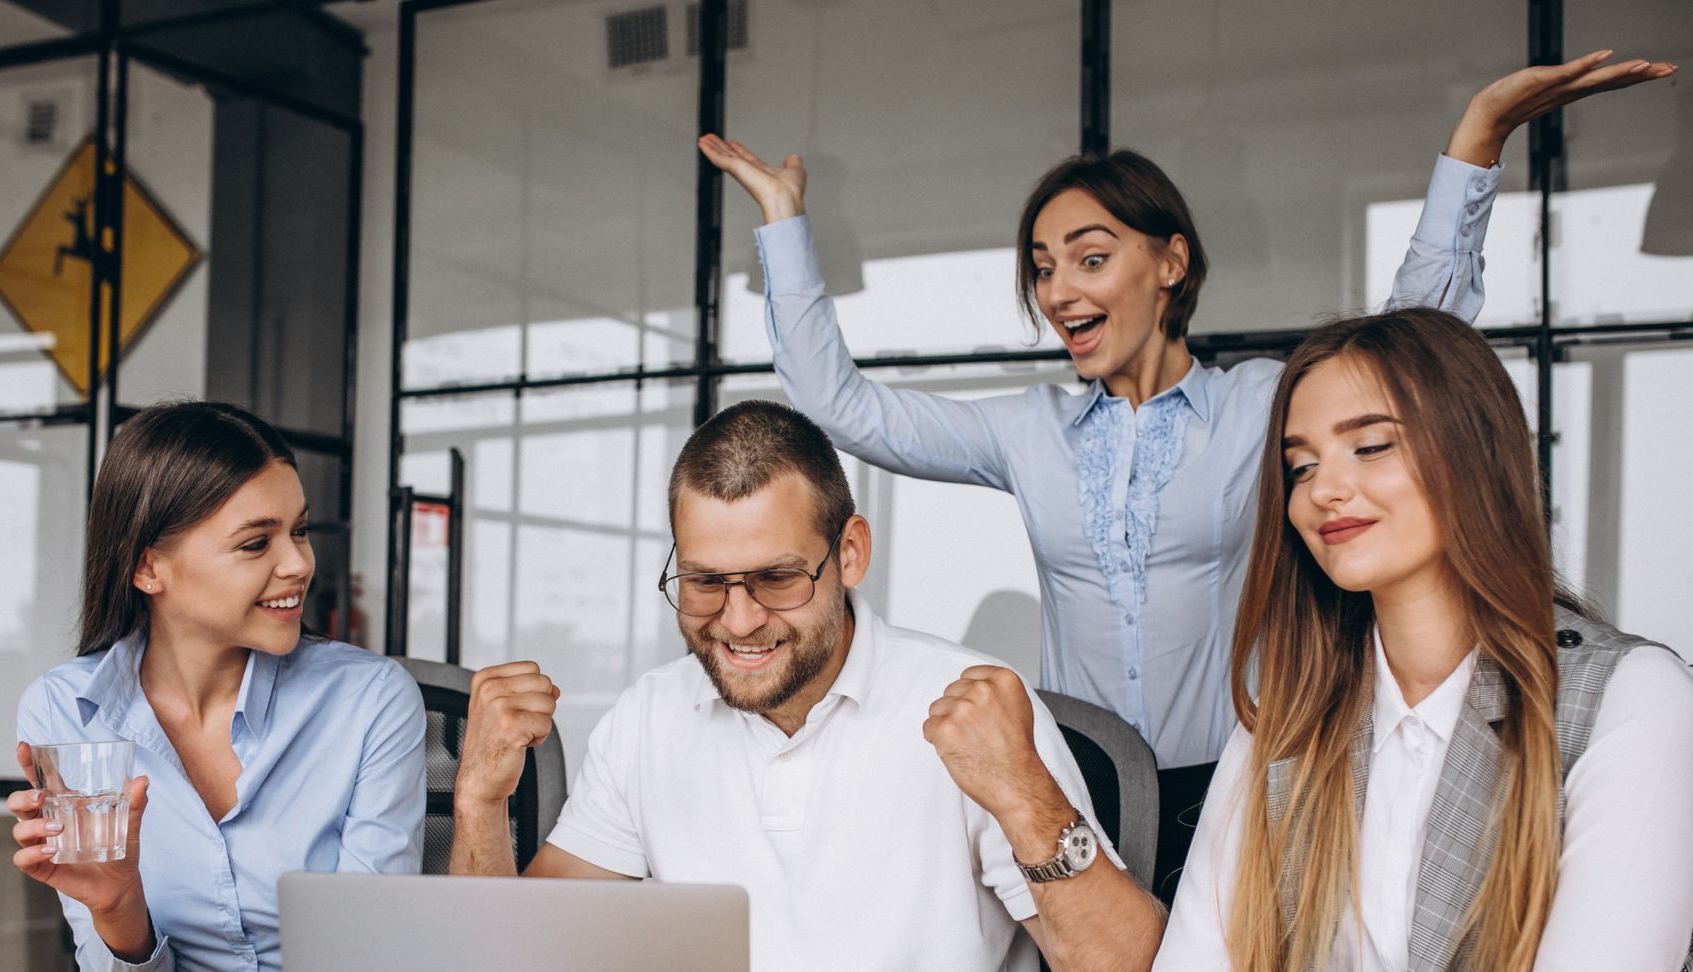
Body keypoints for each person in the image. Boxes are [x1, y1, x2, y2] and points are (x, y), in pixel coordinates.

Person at [701, 52, 1676, 904]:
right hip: (1081, 781)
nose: (1059, 289)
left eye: (1091, 256)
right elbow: (845, 407)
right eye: (1043, 267)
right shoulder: (1027, 431)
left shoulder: (1258, 408)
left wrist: (1477, 137)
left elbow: (1406, 348)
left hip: (1249, 778)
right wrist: (784, 224)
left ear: (1170, 262)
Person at [1019, 308, 1693, 972]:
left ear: (1475, 452)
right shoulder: (1288, 716)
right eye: (1300, 466)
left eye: (1370, 447)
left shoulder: (1633, 698)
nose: (1323, 490)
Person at [449, 400, 1166, 972]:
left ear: (850, 552)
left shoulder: (971, 703)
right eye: (704, 583)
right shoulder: (647, 718)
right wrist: (480, 801)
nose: (737, 621)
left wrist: (1028, 801)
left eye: (776, 579)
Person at [0, 402, 426, 972]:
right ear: (148, 569)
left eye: (300, 531)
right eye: (257, 544)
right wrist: (115, 907)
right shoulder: (65, 710)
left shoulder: (371, 700)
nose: (299, 564)